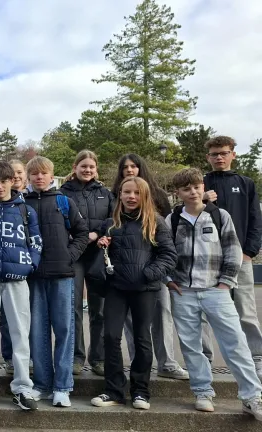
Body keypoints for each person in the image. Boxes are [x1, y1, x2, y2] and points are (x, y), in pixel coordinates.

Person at [165, 168, 262, 420]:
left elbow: (233, 250)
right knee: (192, 346)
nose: (193, 192)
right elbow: (162, 253)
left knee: (235, 344)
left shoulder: (220, 216)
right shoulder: (172, 220)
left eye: (196, 186)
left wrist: (225, 283)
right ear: (179, 193)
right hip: (183, 292)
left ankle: (252, 397)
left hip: (216, 291)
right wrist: (169, 280)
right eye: (186, 189)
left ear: (202, 187)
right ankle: (202, 392)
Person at [91, 176, 177, 410]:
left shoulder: (156, 222)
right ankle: (114, 390)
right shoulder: (109, 224)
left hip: (145, 290)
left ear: (145, 196)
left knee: (142, 339)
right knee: (110, 337)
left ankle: (141, 391)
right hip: (116, 289)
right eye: (126, 192)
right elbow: (103, 256)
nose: (131, 197)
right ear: (119, 195)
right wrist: (101, 245)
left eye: (137, 193)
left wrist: (149, 273)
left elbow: (169, 255)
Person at [114, 154, 191, 379]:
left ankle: (166, 362)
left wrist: (160, 272)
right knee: (133, 325)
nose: (130, 170)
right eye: (125, 167)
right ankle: (139, 365)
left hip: (156, 271)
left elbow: (166, 238)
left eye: (134, 166)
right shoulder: (115, 199)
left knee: (162, 313)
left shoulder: (157, 195)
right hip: (127, 274)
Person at [0, 161, 42, 411]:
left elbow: (36, 241)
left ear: (12, 181)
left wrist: (30, 266)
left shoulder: (26, 210)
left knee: (19, 334)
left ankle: (23, 387)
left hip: (17, 279)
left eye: (3, 181)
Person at [23, 156, 88, 408]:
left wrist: (69, 255)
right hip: (34, 275)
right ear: (29, 178)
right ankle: (41, 383)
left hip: (61, 274)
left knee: (64, 331)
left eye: (44, 173)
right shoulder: (22, 203)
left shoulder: (64, 201)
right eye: (34, 174)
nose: (39, 177)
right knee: (37, 332)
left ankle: (62, 386)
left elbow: (82, 232)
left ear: (52, 176)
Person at [203, 136, 262, 381]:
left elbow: (255, 219)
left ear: (233, 155)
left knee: (246, 311)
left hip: (240, 258)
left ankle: (256, 359)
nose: (219, 157)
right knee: (204, 312)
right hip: (207, 258)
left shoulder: (246, 183)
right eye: (214, 153)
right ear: (208, 157)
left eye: (224, 153)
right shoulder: (202, 183)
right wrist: (204, 200)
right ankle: (204, 360)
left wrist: (249, 251)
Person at [60, 150, 115, 377]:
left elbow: (113, 219)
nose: (87, 170)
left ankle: (98, 357)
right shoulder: (62, 193)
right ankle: (76, 356)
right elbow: (58, 221)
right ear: (75, 167)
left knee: (99, 310)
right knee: (72, 308)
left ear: (96, 169)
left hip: (98, 254)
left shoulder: (105, 193)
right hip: (74, 255)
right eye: (83, 166)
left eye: (91, 167)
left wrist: (99, 233)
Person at [0, 159, 28, 372]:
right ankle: (9, 360)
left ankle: (25, 369)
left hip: (22, 270)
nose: (16, 177)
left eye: (19, 172)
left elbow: (36, 239)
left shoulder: (28, 205)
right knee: (4, 321)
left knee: (23, 321)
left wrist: (31, 264)